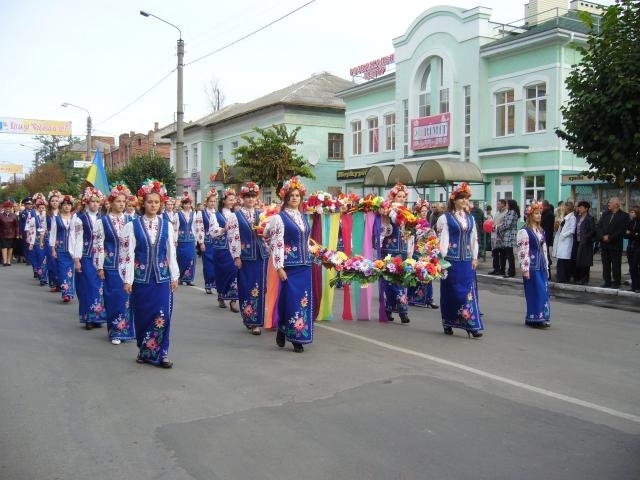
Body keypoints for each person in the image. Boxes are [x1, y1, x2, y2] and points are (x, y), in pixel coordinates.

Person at [122, 179, 179, 368]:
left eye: (156, 202)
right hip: (141, 278)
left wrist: (174, 275)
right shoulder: (133, 225)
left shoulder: (167, 225)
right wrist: (128, 279)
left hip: (162, 278)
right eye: (149, 202)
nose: (153, 205)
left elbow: (171, 251)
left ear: (160, 204)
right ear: (142, 203)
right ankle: (144, 350)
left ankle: (162, 353)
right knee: (143, 315)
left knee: (163, 314)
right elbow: (127, 254)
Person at [264, 177, 313, 353]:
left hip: (304, 265)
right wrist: (279, 267)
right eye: (291, 195)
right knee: (291, 300)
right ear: (286, 198)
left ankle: (283, 327)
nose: (295, 198)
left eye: (297, 195)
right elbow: (274, 241)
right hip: (289, 266)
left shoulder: (303, 217)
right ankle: (295, 337)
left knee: (302, 301)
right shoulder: (279, 218)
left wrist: (316, 253)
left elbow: (305, 241)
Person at [436, 182, 483, 338]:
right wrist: (441, 259)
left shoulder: (470, 218)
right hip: (451, 260)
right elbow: (442, 239)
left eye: (466, 198)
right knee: (451, 292)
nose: (464, 201)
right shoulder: (445, 218)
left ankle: (471, 324)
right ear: (454, 200)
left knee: (467, 292)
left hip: (466, 260)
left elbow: (474, 238)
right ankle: (448, 322)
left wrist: (475, 257)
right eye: (461, 198)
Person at [94, 183, 136, 345]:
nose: (121, 204)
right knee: (114, 297)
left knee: (127, 297)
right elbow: (98, 245)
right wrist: (99, 266)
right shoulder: (103, 222)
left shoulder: (131, 220)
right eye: (118, 201)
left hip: (128, 265)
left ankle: (126, 330)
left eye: (123, 202)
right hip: (111, 265)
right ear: (111, 202)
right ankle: (115, 331)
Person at [227, 182, 269, 335]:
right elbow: (233, 237)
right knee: (247, 288)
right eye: (248, 197)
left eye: (253, 197)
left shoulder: (262, 215)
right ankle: (249, 319)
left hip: (261, 256)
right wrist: (236, 256)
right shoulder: (235, 216)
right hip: (245, 257)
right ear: (242, 198)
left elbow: (267, 235)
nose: (251, 200)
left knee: (260, 288)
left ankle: (257, 321)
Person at [73, 187, 107, 330]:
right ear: (87, 202)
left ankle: (98, 317)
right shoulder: (80, 219)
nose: (95, 204)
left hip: (100, 256)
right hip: (86, 256)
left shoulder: (103, 219)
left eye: (97, 202)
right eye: (92, 201)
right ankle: (88, 317)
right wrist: (77, 259)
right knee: (89, 286)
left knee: (99, 286)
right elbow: (77, 239)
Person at [381, 183, 412, 323]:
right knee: (390, 281)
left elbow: (410, 232)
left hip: (402, 250)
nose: (401, 199)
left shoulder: (407, 211)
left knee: (400, 280)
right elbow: (392, 223)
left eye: (403, 196)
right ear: (393, 197)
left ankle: (391, 309)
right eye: (399, 196)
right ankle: (401, 311)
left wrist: (410, 251)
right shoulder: (389, 210)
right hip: (390, 250)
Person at [516, 202, 550, 328]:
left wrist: (546, 266)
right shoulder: (524, 231)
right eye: (536, 213)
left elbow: (544, 249)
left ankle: (541, 316)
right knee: (535, 292)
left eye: (540, 213)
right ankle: (534, 317)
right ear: (530, 215)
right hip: (531, 266)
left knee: (543, 291)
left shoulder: (541, 231)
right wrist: (525, 269)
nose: (539, 215)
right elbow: (523, 250)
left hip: (540, 265)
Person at [212, 188, 239, 311]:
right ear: (224, 201)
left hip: (234, 248)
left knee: (234, 272)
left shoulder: (236, 214)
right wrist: (223, 229)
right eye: (230, 199)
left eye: (234, 199)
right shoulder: (215, 215)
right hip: (221, 249)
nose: (233, 201)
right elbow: (212, 232)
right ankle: (221, 295)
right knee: (222, 273)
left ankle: (233, 300)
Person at [408, 199, 438, 309]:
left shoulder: (428, 223)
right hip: (416, 251)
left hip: (426, 252)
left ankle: (429, 299)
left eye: (426, 211)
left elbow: (432, 237)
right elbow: (410, 238)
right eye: (422, 211)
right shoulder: (414, 223)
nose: (424, 213)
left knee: (428, 274)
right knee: (415, 275)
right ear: (418, 211)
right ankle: (412, 297)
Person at [596, 197, 630, 288]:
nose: (608, 204)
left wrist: (610, 237)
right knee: (606, 264)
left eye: (610, 202)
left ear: (616, 204)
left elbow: (622, 230)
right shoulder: (605, 214)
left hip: (615, 244)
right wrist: (602, 236)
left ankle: (616, 281)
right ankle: (607, 281)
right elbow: (599, 226)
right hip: (604, 244)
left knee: (616, 264)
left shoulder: (624, 216)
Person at [48, 195, 77, 302]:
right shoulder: (56, 218)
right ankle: (65, 291)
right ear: (61, 206)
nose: (66, 206)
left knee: (71, 271)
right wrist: (53, 249)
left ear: (71, 206)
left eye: (69, 205)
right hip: (60, 248)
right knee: (62, 270)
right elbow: (53, 234)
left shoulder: (75, 218)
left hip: (72, 249)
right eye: (64, 204)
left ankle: (69, 293)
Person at [176, 192, 204, 286]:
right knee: (181, 258)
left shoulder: (193, 214)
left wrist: (196, 239)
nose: (187, 205)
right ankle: (180, 277)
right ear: (182, 204)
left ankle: (188, 278)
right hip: (181, 239)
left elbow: (194, 227)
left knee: (191, 257)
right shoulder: (178, 214)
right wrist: (175, 240)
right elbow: (176, 228)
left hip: (191, 239)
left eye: (188, 204)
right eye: (185, 203)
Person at [26, 197, 49, 285]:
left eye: (43, 208)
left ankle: (44, 277)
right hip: (36, 238)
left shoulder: (46, 215)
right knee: (39, 257)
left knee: (44, 258)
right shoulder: (32, 215)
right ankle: (41, 275)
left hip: (46, 238)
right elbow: (30, 228)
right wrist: (30, 240)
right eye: (40, 207)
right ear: (36, 207)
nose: (42, 209)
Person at [200, 189, 218, 295]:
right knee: (208, 264)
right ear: (207, 202)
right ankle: (208, 284)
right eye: (211, 201)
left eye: (214, 201)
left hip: (217, 241)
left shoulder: (217, 213)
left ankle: (216, 284)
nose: (213, 203)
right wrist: (201, 242)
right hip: (206, 241)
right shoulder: (201, 213)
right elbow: (200, 228)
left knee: (216, 262)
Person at [574, 201, 596, 285]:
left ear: (586, 209)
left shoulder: (590, 218)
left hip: (586, 242)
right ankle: (579, 277)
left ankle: (585, 279)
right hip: (578, 241)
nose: (579, 209)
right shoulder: (578, 217)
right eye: (579, 207)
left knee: (586, 261)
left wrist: (586, 237)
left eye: (581, 207)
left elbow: (592, 230)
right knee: (579, 260)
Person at [553, 201, 576, 283]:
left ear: (568, 208)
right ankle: (560, 277)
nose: (563, 208)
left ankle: (564, 278)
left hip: (566, 241)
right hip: (562, 241)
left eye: (564, 207)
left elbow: (572, 230)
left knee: (564, 261)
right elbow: (560, 226)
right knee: (561, 260)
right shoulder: (566, 217)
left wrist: (564, 235)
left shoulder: (572, 218)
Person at [497, 199, 519, 278]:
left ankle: (511, 272)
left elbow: (507, 224)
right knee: (508, 254)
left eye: (507, 204)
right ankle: (510, 271)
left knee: (509, 254)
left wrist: (499, 228)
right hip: (507, 234)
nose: (506, 205)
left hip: (509, 235)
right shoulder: (510, 212)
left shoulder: (512, 212)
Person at [46, 191, 61, 292]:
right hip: (49, 240)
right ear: (50, 202)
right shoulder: (46, 214)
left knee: (61, 262)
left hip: (60, 239)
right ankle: (54, 283)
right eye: (53, 201)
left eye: (56, 201)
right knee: (51, 262)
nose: (55, 202)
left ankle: (61, 284)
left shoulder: (63, 212)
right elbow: (42, 227)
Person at [489, 199, 507, 275]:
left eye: (499, 204)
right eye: (497, 204)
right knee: (495, 253)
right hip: (494, 235)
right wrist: (491, 226)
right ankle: (496, 268)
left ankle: (502, 269)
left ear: (503, 204)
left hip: (501, 236)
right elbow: (493, 222)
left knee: (502, 253)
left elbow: (504, 224)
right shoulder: (496, 213)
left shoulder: (506, 213)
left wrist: (496, 227)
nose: (497, 205)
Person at [625, 207, 640, 292]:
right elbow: (625, 234)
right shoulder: (631, 222)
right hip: (630, 247)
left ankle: (638, 286)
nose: (631, 213)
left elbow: (637, 236)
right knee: (631, 268)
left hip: (638, 247)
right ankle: (633, 286)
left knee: (635, 267)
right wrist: (633, 234)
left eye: (633, 212)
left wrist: (632, 233)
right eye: (631, 212)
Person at [0, 200, 19, 266]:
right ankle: (4, 261)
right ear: (4, 208)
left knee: (10, 248)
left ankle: (8, 261)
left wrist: (17, 234)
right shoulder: (1, 216)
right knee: (4, 247)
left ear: (11, 208)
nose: (8, 208)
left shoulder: (14, 216)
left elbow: (17, 226)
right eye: (6, 207)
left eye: (9, 207)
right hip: (3, 234)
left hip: (12, 234)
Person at [540, 200, 555, 278]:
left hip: (545, 238)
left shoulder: (549, 214)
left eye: (542, 206)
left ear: (545, 206)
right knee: (543, 255)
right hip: (543, 237)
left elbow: (548, 229)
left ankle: (548, 273)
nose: (541, 208)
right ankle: (545, 272)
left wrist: (545, 239)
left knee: (546, 256)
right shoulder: (545, 213)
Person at [19, 197, 35, 267]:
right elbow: (20, 223)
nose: (29, 205)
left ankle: (32, 258)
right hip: (25, 231)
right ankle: (28, 259)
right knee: (26, 245)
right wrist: (20, 233)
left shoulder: (34, 212)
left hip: (33, 231)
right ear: (25, 205)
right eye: (28, 204)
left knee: (33, 244)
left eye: (30, 204)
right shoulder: (22, 213)